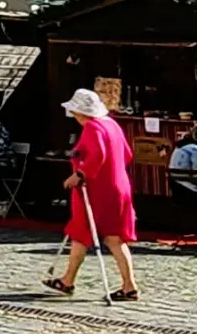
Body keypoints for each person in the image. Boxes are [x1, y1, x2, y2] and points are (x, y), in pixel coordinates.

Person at [43, 88, 139, 302]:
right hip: (118, 186)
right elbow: (127, 154)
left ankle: (69, 280)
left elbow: (98, 155)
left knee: (84, 230)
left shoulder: (93, 127)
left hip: (98, 190)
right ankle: (127, 285)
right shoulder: (111, 124)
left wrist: (79, 174)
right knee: (112, 237)